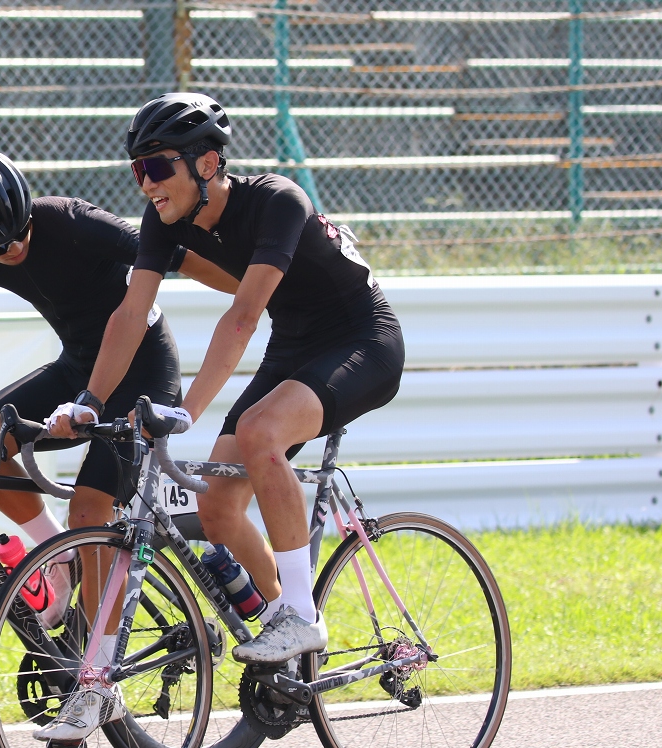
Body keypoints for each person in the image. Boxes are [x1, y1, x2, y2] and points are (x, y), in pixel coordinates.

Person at [49, 93, 405, 688]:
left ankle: (300, 614)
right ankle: (288, 646)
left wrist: (187, 411)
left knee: (261, 432)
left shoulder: (277, 201)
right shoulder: (164, 225)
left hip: (361, 339)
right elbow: (130, 314)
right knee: (216, 505)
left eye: (158, 167)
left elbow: (241, 318)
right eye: (137, 170)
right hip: (294, 345)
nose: (146, 184)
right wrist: (89, 400)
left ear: (207, 163)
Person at [0, 146, 236, 644]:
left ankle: (96, 670)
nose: (13, 249)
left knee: (90, 509)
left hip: (142, 367)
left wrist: (255, 290)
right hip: (79, 365)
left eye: (20, 233)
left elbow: (178, 256)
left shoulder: (73, 221)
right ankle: (62, 553)